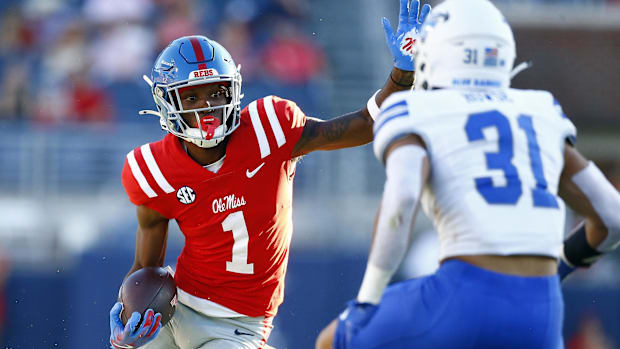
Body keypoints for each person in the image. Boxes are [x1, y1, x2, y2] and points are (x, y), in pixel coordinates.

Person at [108, 0, 431, 348]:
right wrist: (126, 317)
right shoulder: (153, 169)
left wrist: (403, 75)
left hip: (237, 325)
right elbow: (145, 266)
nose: (207, 107)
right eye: (192, 97)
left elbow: (365, 125)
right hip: (176, 309)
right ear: (167, 103)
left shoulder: (268, 128)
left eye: (216, 92)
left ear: (234, 90)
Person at [315, 0, 620, 348]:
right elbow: (612, 216)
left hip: (464, 291)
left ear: (437, 53)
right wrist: (559, 268)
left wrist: (367, 299)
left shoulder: (415, 108)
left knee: (331, 341)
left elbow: (401, 200)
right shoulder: (540, 110)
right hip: (542, 308)